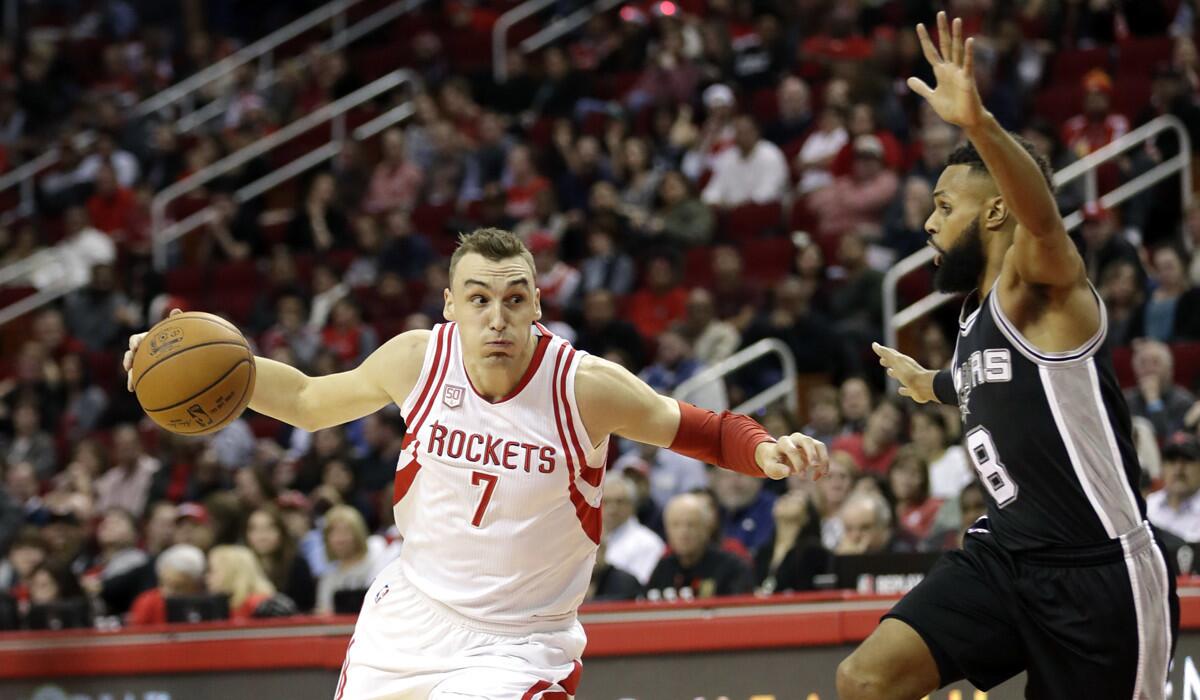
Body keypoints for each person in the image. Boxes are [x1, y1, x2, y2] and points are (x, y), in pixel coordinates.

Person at [124, 228, 827, 697]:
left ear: (537, 305)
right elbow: (309, 399)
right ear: (451, 306)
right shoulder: (417, 359)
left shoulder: (582, 386)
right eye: (480, 299)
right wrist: (188, 361)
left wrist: (765, 449)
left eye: (515, 299)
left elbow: (701, 427)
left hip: (517, 642)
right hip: (409, 617)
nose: (498, 317)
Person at [852, 14, 1178, 700]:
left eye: (945, 206)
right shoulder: (974, 318)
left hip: (1099, 577)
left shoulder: (1042, 290)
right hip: (1006, 555)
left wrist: (979, 127)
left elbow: (1043, 218)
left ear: (996, 212)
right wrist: (931, 384)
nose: (929, 224)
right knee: (866, 680)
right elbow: (993, 382)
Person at [645, 493, 755, 600]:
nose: (683, 532)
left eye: (691, 525)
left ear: (707, 528)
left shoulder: (732, 568)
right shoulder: (663, 568)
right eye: (675, 525)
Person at [1146, 433, 1200, 542]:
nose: (1178, 470)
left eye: (1187, 460)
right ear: (1162, 468)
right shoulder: (1147, 507)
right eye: (1171, 461)